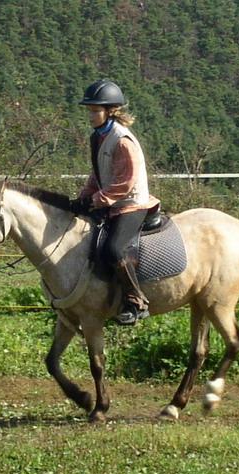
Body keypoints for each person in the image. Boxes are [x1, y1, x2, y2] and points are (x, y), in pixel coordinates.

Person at [71, 79, 160, 326]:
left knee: (114, 249)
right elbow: (98, 173)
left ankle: (136, 301)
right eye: (89, 111)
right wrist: (83, 197)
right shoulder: (98, 137)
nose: (90, 116)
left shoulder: (122, 140)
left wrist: (96, 200)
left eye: (95, 111)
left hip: (132, 204)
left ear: (110, 111)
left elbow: (125, 183)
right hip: (111, 202)